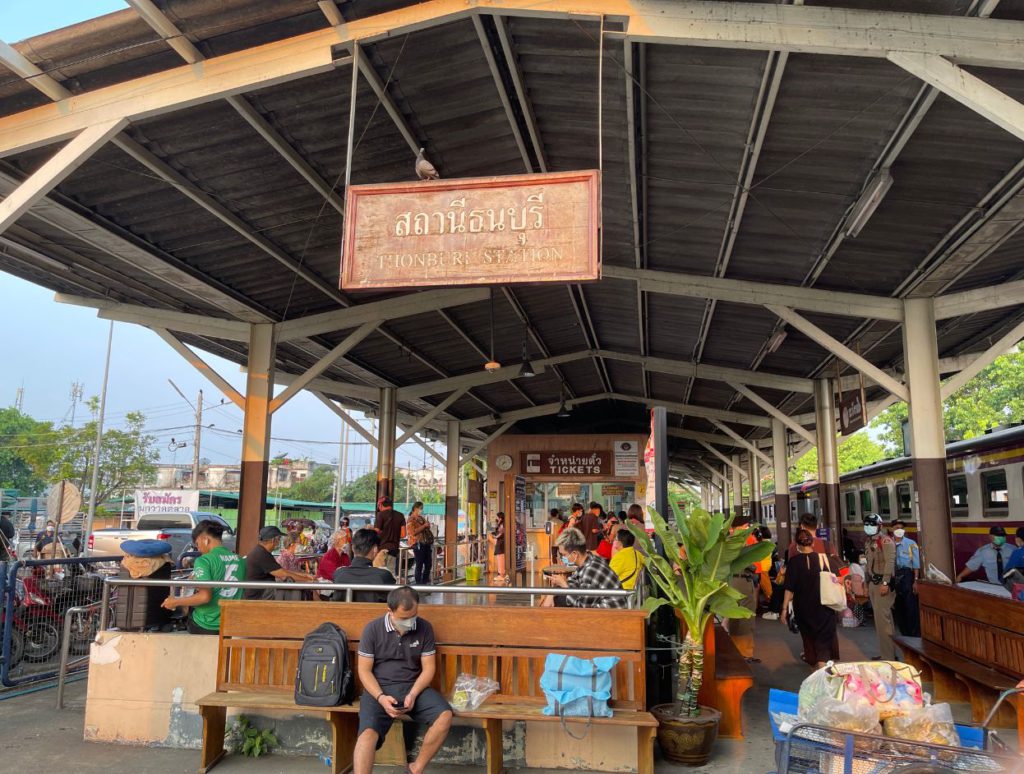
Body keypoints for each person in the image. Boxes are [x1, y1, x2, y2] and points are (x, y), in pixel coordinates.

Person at [353, 586, 452, 774]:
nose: (410, 622)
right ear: (389, 612)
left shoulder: (424, 628)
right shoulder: (373, 629)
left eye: (413, 615)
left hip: (414, 688)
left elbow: (429, 668)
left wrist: (413, 694)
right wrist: (381, 697)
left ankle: (415, 769)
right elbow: (364, 671)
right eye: (404, 618)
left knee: (445, 716)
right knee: (367, 735)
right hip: (379, 689)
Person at [162, 520, 244, 635]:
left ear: (205, 539)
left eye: (197, 544)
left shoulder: (204, 560)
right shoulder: (239, 559)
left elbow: (204, 596)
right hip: (230, 623)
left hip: (207, 624)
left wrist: (176, 602)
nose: (198, 548)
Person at [781, 528, 843, 668]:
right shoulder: (825, 559)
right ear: (813, 543)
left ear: (797, 545)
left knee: (808, 640)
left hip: (803, 608)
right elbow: (840, 576)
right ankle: (822, 674)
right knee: (823, 641)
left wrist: (784, 609)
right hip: (824, 606)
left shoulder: (794, 562)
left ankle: (814, 671)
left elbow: (789, 589)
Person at [541, 528, 626, 608]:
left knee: (557, 602)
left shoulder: (590, 571)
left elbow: (581, 607)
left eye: (563, 555)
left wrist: (564, 585)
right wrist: (552, 592)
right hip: (604, 610)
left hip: (612, 617)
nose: (562, 558)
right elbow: (573, 581)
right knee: (556, 598)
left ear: (575, 554)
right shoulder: (589, 559)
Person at [726, 514, 761, 663]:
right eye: (745, 526)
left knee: (746, 619)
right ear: (734, 529)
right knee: (740, 619)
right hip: (738, 582)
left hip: (744, 582)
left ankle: (746, 652)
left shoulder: (742, 542)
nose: (748, 529)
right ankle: (741, 653)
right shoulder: (732, 543)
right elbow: (751, 564)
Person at [244, 526, 315, 599]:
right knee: (297, 594)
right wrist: (307, 580)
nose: (279, 543)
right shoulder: (261, 555)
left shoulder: (261, 552)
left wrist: (305, 576)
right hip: (260, 595)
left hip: (265, 591)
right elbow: (283, 574)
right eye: (279, 539)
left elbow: (281, 571)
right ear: (273, 540)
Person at [863, 513, 897, 660]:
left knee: (884, 622)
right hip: (873, 583)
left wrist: (885, 582)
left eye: (872, 525)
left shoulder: (886, 541)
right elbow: (867, 564)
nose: (869, 528)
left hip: (883, 585)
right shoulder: (869, 542)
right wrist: (866, 583)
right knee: (879, 622)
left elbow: (890, 562)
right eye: (867, 525)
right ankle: (885, 653)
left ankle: (889, 657)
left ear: (880, 526)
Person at [333, 528, 396, 603]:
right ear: (375, 549)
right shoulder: (384, 575)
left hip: (342, 614)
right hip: (375, 614)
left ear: (353, 548)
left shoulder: (339, 573)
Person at [890, 519, 921, 637]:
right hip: (894, 575)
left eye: (901, 528)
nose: (898, 530)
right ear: (892, 530)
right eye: (896, 528)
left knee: (910, 606)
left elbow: (916, 564)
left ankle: (914, 633)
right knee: (898, 606)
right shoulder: (889, 543)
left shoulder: (911, 544)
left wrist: (916, 580)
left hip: (907, 575)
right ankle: (904, 633)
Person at [373, 497, 405, 576]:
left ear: (380, 505)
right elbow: (403, 534)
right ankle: (391, 588)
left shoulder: (380, 515)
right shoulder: (400, 515)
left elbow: (375, 532)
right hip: (394, 549)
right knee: (391, 574)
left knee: (378, 573)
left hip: (381, 549)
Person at [405, 502, 433, 586]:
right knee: (419, 564)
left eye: (422, 508)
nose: (421, 510)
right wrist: (424, 526)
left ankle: (425, 581)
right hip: (417, 544)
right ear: (415, 508)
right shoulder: (411, 519)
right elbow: (412, 532)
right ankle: (419, 584)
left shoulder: (421, 518)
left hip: (426, 543)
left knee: (428, 563)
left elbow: (425, 527)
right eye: (420, 508)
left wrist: (427, 525)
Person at [488, 512, 507, 584]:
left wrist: (494, 536)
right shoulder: (501, 524)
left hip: (501, 544)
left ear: (500, 518)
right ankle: (502, 574)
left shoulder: (502, 525)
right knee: (500, 558)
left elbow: (500, 534)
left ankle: (501, 575)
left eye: (497, 517)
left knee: (500, 558)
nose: (496, 519)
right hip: (501, 544)